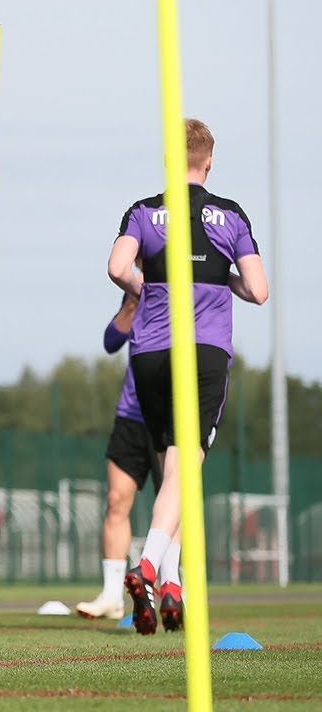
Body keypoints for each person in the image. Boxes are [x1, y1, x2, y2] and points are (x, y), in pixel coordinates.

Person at [108, 118, 267, 635]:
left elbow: (117, 269)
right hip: (203, 351)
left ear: (169, 161)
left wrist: (147, 281)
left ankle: (172, 583)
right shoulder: (231, 216)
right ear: (209, 161)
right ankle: (152, 565)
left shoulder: (144, 211)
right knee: (186, 465)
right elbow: (260, 290)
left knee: (173, 465)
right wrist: (225, 280)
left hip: (151, 352)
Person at [75, 293, 163, 620]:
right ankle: (112, 595)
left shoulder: (189, 284)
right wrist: (131, 303)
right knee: (116, 499)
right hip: (131, 416)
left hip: (170, 416)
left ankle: (172, 588)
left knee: (171, 505)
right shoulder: (137, 290)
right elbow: (111, 341)